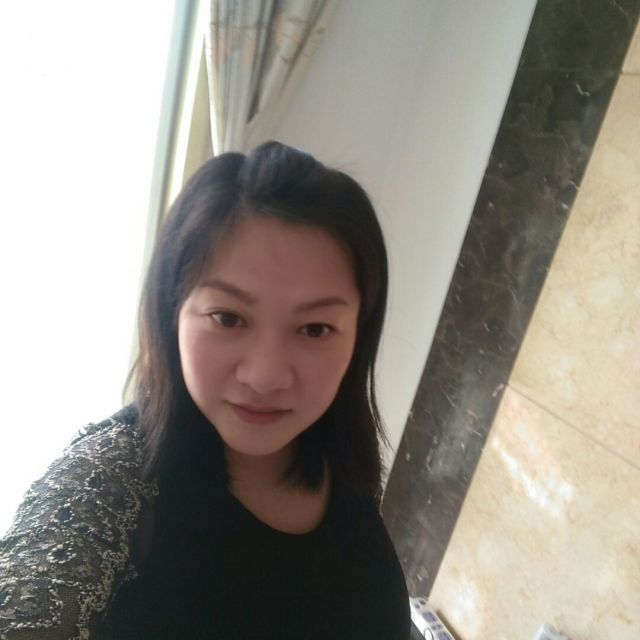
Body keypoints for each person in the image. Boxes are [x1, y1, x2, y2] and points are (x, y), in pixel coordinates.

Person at [0, 141, 410, 639]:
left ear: (359, 335)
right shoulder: (106, 481)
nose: (265, 376)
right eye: (228, 318)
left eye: (315, 329)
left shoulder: (343, 460)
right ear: (172, 312)